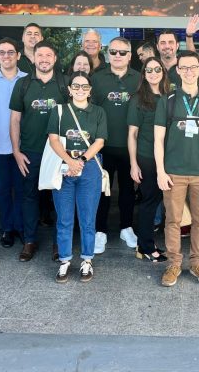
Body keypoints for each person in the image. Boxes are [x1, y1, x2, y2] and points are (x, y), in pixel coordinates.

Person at [154, 51, 199, 287]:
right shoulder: (168, 100)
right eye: (184, 67)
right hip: (173, 172)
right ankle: (174, 263)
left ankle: (196, 263)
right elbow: (158, 140)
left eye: (193, 66)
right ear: (178, 71)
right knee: (173, 221)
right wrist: (160, 171)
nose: (189, 71)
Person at [10, 41, 68, 262]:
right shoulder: (23, 84)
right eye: (40, 55)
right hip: (30, 151)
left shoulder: (64, 83)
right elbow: (15, 119)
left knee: (59, 198)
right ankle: (30, 241)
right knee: (29, 197)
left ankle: (59, 243)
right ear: (33, 58)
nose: (44, 59)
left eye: (48, 55)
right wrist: (16, 151)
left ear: (55, 59)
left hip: (58, 152)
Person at [48, 72, 107, 283]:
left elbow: (99, 141)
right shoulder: (59, 110)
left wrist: (80, 160)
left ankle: (87, 260)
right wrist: (69, 161)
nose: (80, 90)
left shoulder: (98, 112)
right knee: (64, 219)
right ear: (70, 89)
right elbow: (53, 139)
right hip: (62, 166)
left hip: (89, 168)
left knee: (87, 218)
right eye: (76, 86)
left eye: (84, 87)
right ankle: (64, 260)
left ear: (90, 91)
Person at [91, 37, 141, 252]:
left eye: (122, 52)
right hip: (102, 146)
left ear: (130, 56)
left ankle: (126, 227)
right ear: (107, 53)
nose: (117, 56)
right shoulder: (97, 78)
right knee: (102, 191)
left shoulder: (139, 79)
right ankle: (100, 230)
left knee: (128, 191)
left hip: (130, 147)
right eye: (113, 52)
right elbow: (89, 110)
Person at [0, 39, 29, 255]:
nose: (7, 56)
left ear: (18, 55)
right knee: (1, 190)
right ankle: (7, 229)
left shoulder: (28, 80)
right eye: (2, 52)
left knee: (21, 190)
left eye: (11, 52)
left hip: (23, 147)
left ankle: (20, 226)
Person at [128, 57, 170, 262]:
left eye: (157, 69)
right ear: (143, 74)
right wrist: (133, 164)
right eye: (149, 70)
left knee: (159, 201)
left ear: (163, 72)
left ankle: (148, 243)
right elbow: (132, 134)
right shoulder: (138, 99)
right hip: (147, 157)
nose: (153, 73)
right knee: (149, 201)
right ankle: (144, 246)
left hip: (168, 157)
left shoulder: (170, 96)